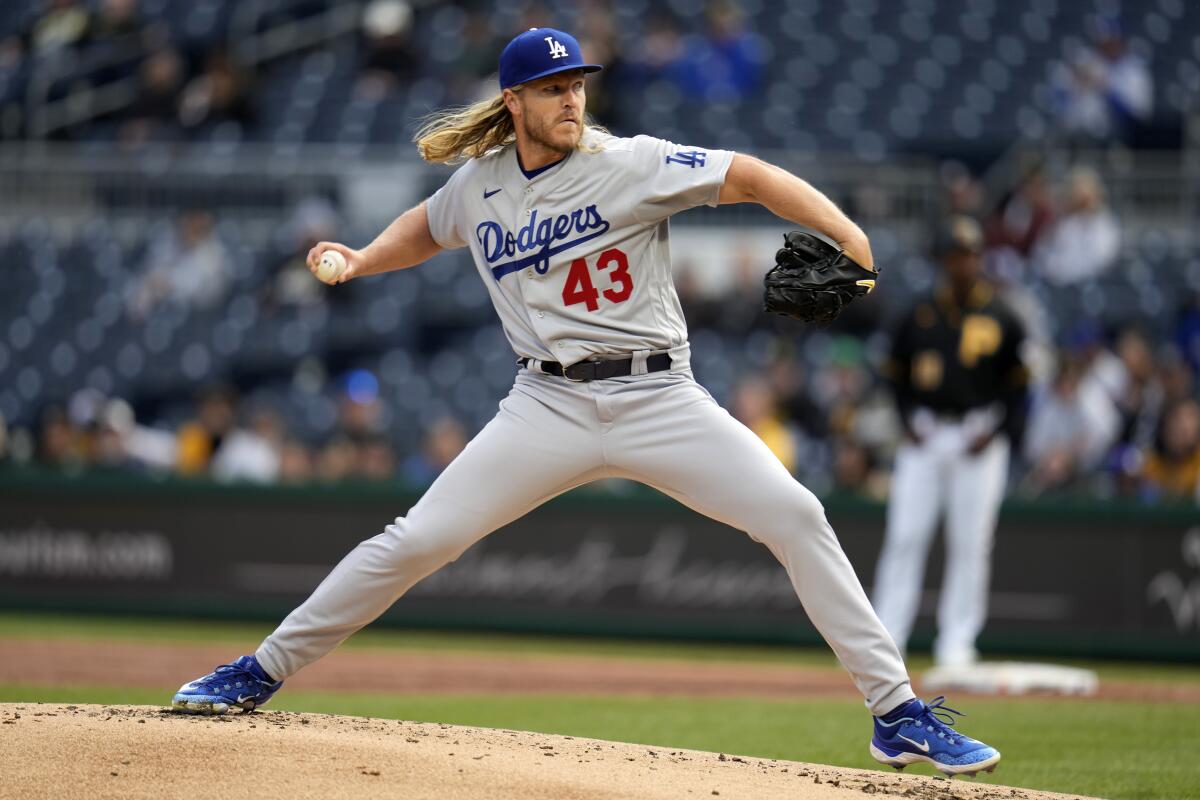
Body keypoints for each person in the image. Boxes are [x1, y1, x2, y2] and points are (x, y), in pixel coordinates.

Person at [170, 28, 1000, 777]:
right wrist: (359, 258)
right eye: (553, 88)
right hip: (546, 405)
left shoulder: (627, 161)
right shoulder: (481, 185)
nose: (572, 99)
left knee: (796, 515)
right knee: (417, 539)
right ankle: (261, 669)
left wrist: (850, 234)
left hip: (659, 395)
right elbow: (426, 228)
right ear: (514, 101)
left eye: (577, 84)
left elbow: (748, 176)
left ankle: (896, 714)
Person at [873, 216, 1028, 669]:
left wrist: (996, 432)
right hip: (925, 432)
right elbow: (893, 376)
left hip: (977, 432)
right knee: (905, 535)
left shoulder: (1002, 314)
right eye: (955, 255)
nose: (963, 263)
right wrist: (906, 421)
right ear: (943, 261)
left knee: (970, 542)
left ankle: (957, 642)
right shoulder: (919, 312)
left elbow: (1019, 388)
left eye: (969, 254)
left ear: (979, 259)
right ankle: (887, 639)